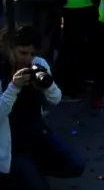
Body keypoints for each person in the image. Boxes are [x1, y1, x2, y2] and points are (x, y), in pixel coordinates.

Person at [0, 27, 85, 189]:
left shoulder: (38, 63)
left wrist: (47, 85)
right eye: (22, 53)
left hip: (37, 134)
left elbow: (56, 98)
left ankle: (31, 171)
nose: (27, 59)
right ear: (9, 49)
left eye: (32, 54)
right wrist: (13, 87)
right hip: (11, 145)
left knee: (76, 164)